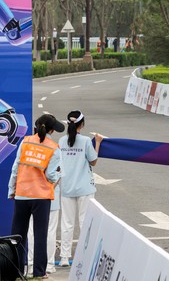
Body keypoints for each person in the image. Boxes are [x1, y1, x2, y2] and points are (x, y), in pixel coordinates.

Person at [8, 114, 64, 279]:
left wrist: (12, 189)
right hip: (41, 197)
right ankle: (39, 272)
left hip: (22, 194)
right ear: (52, 130)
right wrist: (57, 179)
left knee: (17, 236)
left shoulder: (25, 142)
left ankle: (15, 272)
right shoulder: (53, 148)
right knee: (40, 235)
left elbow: (15, 168)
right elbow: (52, 176)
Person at [58, 110, 101, 268]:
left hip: (66, 188)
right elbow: (93, 161)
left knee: (67, 223)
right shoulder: (85, 141)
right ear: (82, 124)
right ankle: (85, 255)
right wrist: (98, 143)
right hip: (84, 188)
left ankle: (64, 257)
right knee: (85, 223)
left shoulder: (62, 141)